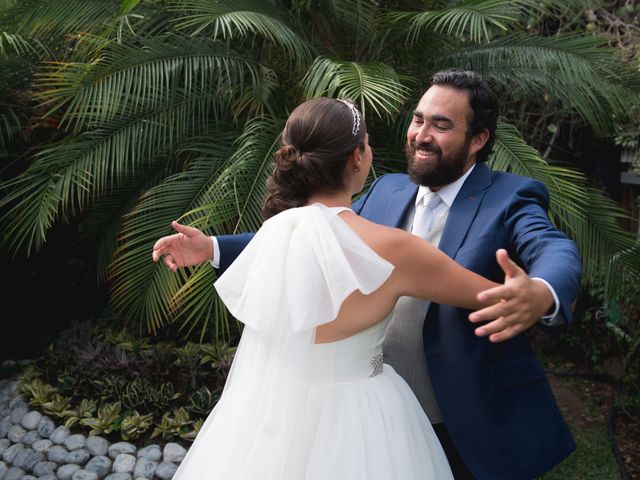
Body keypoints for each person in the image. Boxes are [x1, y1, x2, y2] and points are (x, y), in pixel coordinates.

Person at [154, 71, 582, 479]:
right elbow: (319, 239)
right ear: (357, 157)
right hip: (375, 419)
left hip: (468, 420)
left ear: (479, 139)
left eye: (441, 125)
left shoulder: (511, 196)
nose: (421, 134)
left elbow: (553, 248)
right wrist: (212, 248)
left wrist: (542, 291)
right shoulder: (385, 189)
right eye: (417, 119)